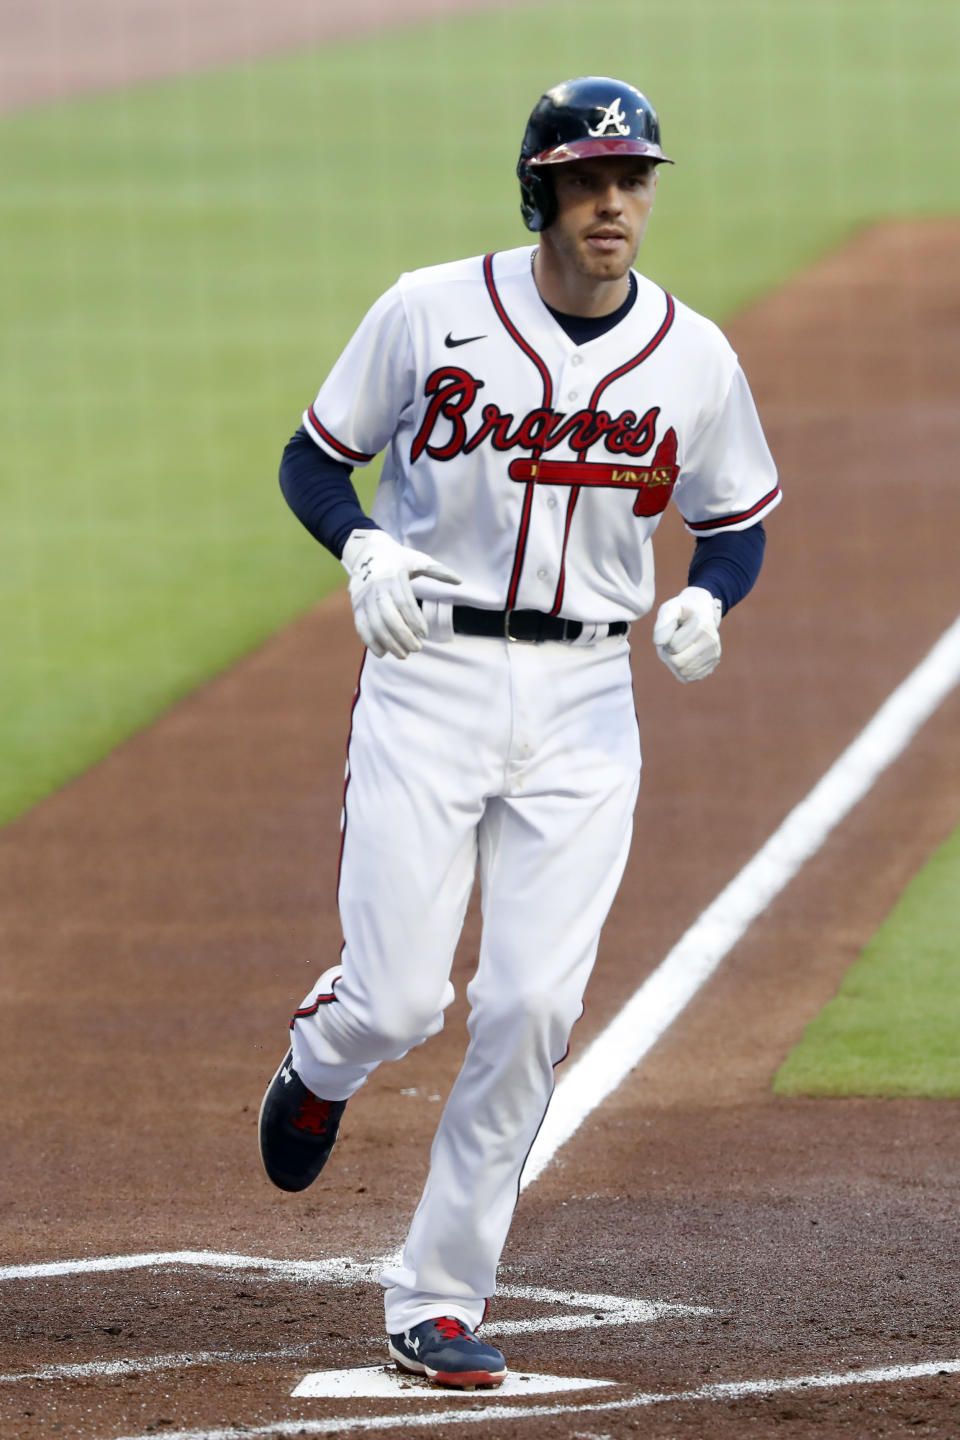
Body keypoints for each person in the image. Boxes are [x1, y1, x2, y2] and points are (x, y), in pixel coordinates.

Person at [258, 75, 780, 1389]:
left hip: (587, 706)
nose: (615, 203)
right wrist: (363, 543)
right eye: (588, 180)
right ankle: (322, 1061)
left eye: (634, 179)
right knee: (397, 999)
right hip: (429, 680)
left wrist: (711, 603)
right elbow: (313, 459)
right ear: (540, 189)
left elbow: (735, 523)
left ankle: (437, 1297)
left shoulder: (693, 355)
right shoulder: (429, 311)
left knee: (534, 1004)